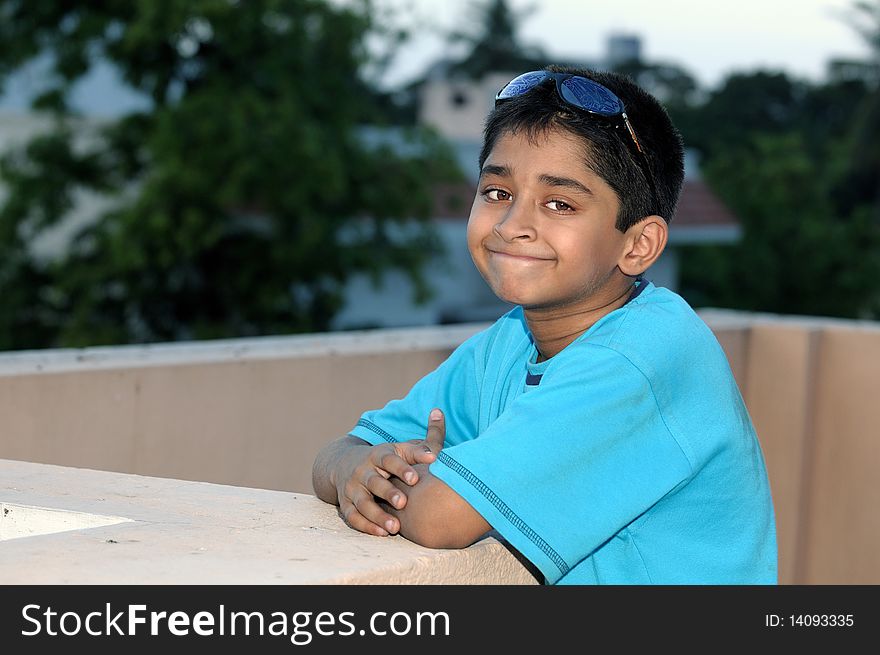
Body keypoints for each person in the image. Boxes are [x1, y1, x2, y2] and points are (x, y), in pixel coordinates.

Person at [311, 65, 778, 584]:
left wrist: (404, 480)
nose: (513, 227)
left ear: (638, 244)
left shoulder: (643, 357)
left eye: (560, 204)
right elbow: (342, 450)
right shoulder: (509, 341)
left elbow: (440, 517)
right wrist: (349, 470)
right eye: (497, 193)